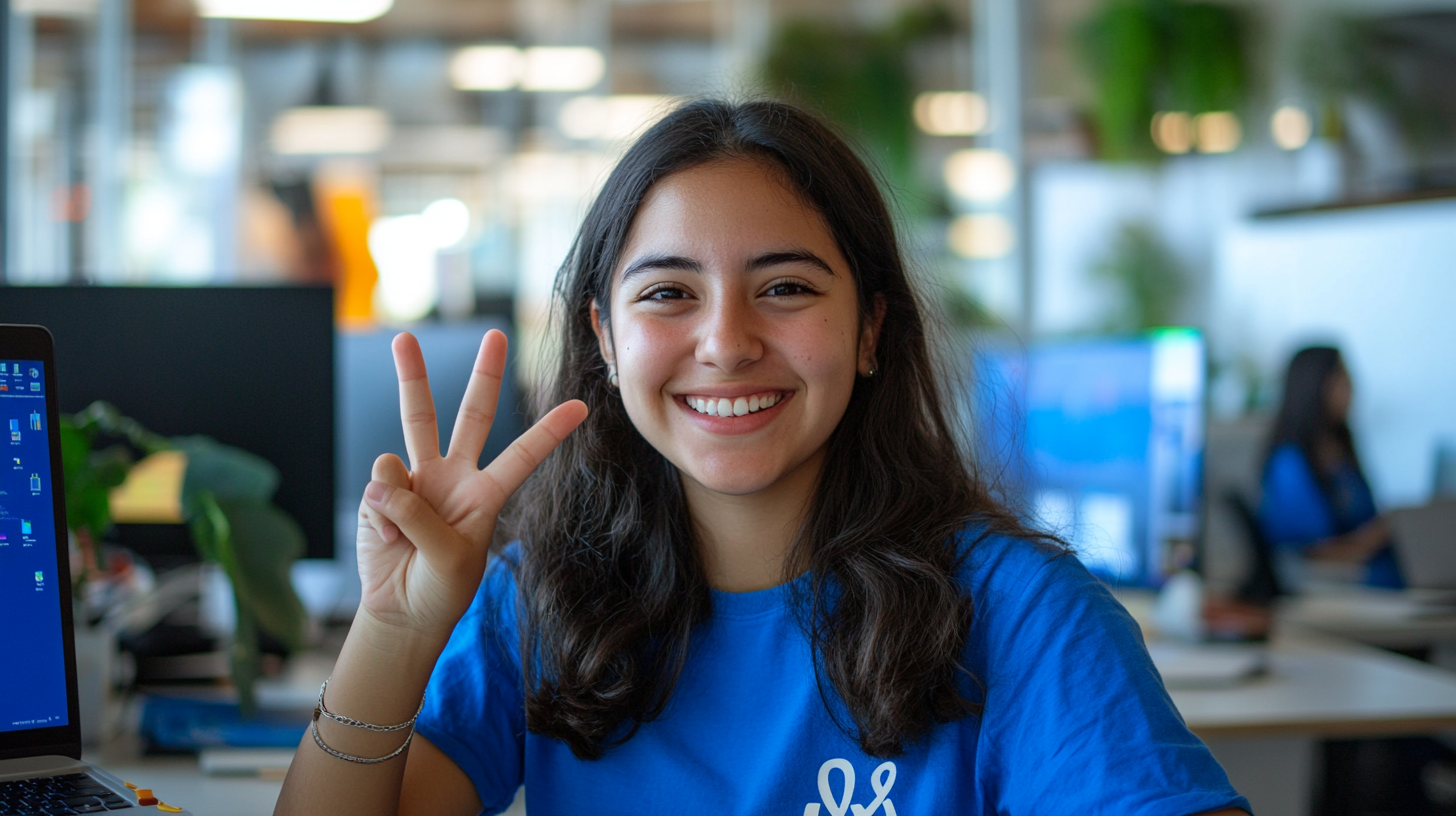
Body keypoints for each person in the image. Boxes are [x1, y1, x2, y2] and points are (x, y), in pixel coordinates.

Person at [275, 99, 1248, 816]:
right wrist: (397, 629)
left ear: (869, 330)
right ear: (605, 341)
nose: (727, 341)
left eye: (784, 288)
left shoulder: (1018, 610)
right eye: (667, 294)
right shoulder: (536, 602)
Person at [1258, 346, 1400, 589]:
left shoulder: (1342, 449)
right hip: (1338, 584)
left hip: (1376, 573)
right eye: (1342, 378)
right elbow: (1309, 553)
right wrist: (1380, 533)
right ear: (1314, 386)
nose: (1352, 388)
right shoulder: (1290, 464)